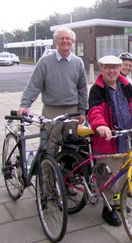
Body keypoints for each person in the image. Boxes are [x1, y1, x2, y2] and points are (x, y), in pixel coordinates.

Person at [87, 55, 132, 226]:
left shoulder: (126, 86)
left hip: (126, 138)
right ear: (101, 69)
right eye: (107, 67)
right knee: (109, 177)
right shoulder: (97, 89)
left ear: (119, 68)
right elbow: (94, 111)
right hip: (108, 140)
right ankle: (108, 208)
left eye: (114, 67)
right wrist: (100, 125)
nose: (111, 71)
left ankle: (116, 203)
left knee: (124, 174)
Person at [18, 27, 88, 156]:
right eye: (62, 38)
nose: (65, 41)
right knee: (50, 147)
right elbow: (34, 85)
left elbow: (82, 88)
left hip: (72, 110)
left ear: (72, 42)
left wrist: (83, 111)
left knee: (71, 147)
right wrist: (24, 105)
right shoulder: (45, 62)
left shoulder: (78, 62)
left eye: (68, 38)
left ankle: (65, 175)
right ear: (56, 41)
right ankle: (47, 176)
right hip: (52, 110)